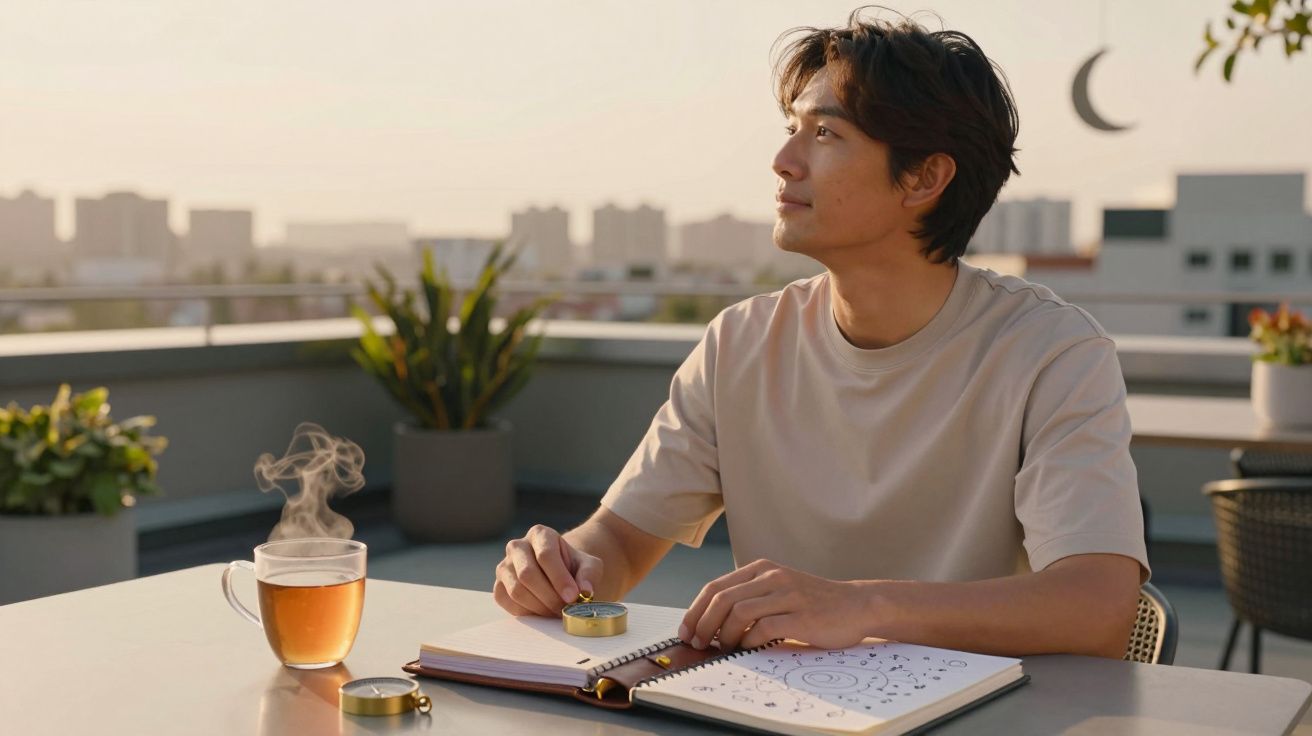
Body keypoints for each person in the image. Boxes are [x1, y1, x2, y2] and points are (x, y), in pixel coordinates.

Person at [492, 9, 1149, 659]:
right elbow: (621, 542)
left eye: (826, 134)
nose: (783, 161)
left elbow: (1097, 606)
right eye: (790, 130)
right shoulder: (741, 344)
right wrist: (561, 568)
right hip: (781, 709)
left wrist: (863, 607)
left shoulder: (1051, 351)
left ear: (923, 178)